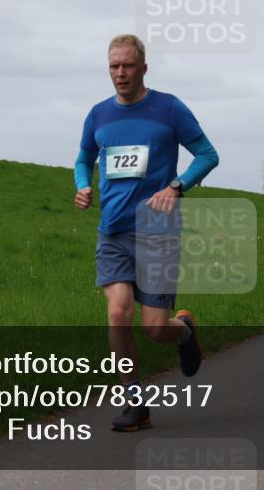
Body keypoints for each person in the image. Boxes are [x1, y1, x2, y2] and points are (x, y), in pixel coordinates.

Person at [74, 34, 219, 432]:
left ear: (143, 68)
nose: (120, 73)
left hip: (158, 233)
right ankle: (135, 402)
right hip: (114, 232)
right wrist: (82, 185)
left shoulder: (168, 108)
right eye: (113, 66)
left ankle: (184, 332)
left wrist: (176, 187)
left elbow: (207, 154)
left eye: (127, 66)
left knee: (156, 328)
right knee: (118, 313)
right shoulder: (98, 115)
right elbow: (84, 157)